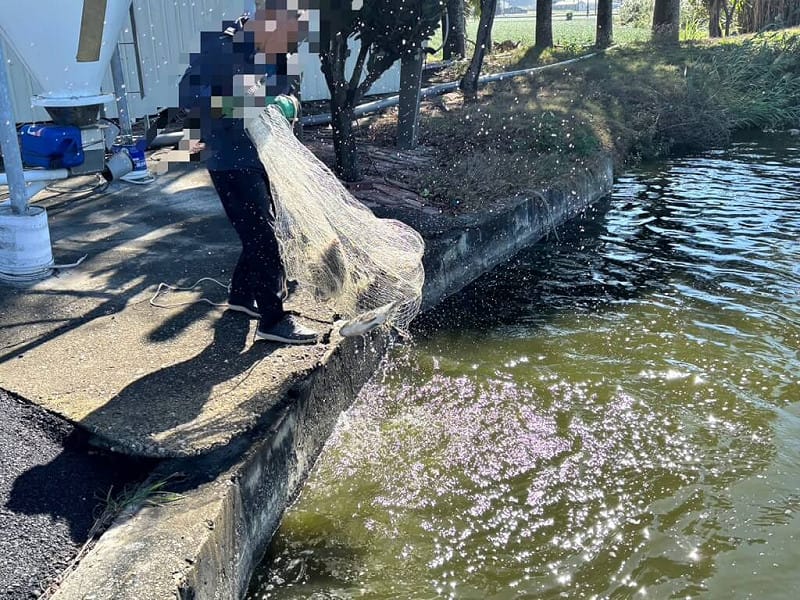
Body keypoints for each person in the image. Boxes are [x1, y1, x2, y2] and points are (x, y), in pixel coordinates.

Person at [178, 1, 319, 344]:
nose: (289, 46)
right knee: (264, 237)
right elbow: (188, 100)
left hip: (265, 153)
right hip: (228, 157)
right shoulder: (219, 47)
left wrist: (289, 104)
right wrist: (230, 103)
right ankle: (273, 319)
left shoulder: (282, 48)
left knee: (259, 228)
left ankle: (242, 298)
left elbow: (290, 92)